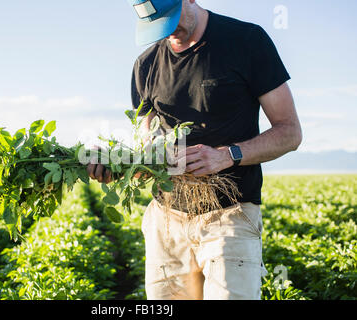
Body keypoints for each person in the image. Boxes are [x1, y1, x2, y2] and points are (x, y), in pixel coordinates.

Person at [87, 0, 302, 300]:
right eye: (157, 26)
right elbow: (147, 148)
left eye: (170, 20)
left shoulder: (247, 41)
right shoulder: (145, 65)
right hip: (166, 223)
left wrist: (227, 155)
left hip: (231, 217)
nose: (167, 33)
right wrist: (117, 164)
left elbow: (290, 132)